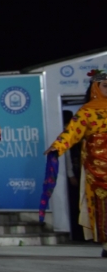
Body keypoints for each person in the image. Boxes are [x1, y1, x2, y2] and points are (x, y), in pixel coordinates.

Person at [45, 69, 107, 256]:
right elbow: (72, 132)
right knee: (101, 206)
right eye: (105, 85)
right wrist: (58, 146)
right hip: (96, 165)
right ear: (96, 87)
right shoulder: (87, 112)